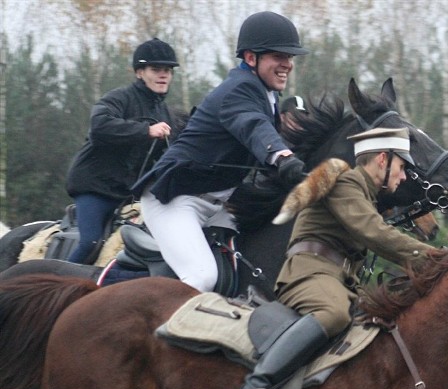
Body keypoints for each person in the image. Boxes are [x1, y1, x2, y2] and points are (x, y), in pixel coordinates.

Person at [225, 127, 435, 389]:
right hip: (310, 273)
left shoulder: (364, 193)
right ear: (381, 159)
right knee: (332, 313)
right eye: (402, 168)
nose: (403, 178)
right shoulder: (346, 182)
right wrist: (437, 258)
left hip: (340, 280)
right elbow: (375, 233)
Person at [132, 11, 309, 293]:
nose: (287, 64)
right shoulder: (238, 90)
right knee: (202, 277)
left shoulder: (268, 94)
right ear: (251, 58)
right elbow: (253, 126)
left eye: (290, 58)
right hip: (176, 200)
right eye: (279, 56)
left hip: (215, 205)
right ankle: (160, 335)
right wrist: (282, 157)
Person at [65, 38, 180, 264]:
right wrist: (145, 131)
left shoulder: (165, 113)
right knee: (91, 243)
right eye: (156, 69)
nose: (163, 75)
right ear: (139, 72)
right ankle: (55, 288)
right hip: (95, 188)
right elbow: (99, 127)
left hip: (128, 195)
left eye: (167, 70)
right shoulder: (119, 98)